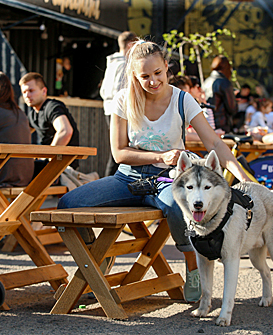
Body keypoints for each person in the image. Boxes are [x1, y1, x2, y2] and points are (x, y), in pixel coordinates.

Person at [57, 40, 250, 303]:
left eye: (158, 73)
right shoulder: (124, 98)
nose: (153, 81)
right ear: (135, 76)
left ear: (166, 68)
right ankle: (96, 252)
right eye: (145, 76)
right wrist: (159, 154)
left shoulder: (183, 99)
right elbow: (119, 153)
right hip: (128, 177)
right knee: (67, 203)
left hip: (168, 179)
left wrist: (244, 178)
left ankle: (192, 268)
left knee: (177, 207)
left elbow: (214, 143)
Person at [19, 72, 80, 170]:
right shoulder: (33, 115)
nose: (27, 95)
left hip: (63, 167)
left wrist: (47, 157)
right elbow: (21, 136)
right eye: (24, 92)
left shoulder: (52, 107)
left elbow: (65, 131)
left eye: (31, 90)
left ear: (44, 91)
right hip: (49, 165)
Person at [100, 31, 138, 176]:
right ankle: (109, 183)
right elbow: (120, 92)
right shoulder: (124, 64)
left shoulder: (112, 62)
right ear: (130, 45)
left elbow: (104, 90)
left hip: (109, 108)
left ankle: (109, 181)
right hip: (120, 110)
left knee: (117, 149)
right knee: (120, 150)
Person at [202, 55, 237, 133]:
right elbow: (232, 108)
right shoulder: (224, 82)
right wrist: (234, 98)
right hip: (222, 125)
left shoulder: (207, 81)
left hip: (208, 122)